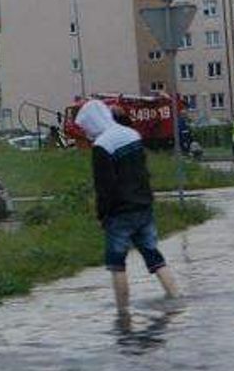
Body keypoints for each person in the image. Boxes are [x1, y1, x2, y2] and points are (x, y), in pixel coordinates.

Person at [74, 99, 178, 315]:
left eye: (86, 128)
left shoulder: (102, 146)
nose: (86, 133)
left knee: (117, 263)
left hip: (119, 212)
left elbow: (105, 187)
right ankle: (176, 300)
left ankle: (123, 314)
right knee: (154, 257)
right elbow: (144, 172)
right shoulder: (132, 134)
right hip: (144, 206)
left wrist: (102, 215)